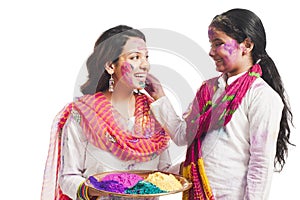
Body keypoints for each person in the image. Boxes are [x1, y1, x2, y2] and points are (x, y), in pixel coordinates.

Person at [146, 8, 294, 199]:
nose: (211, 52)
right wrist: (160, 97)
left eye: (219, 44)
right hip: (195, 192)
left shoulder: (262, 96)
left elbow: (261, 165)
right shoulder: (208, 89)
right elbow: (183, 136)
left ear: (246, 45)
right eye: (211, 44)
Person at [41, 25, 172, 200]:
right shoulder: (84, 115)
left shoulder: (154, 113)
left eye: (146, 57)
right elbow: (67, 178)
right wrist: (101, 189)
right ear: (110, 66)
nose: (145, 65)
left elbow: (164, 174)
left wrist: (197, 157)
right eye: (135, 57)